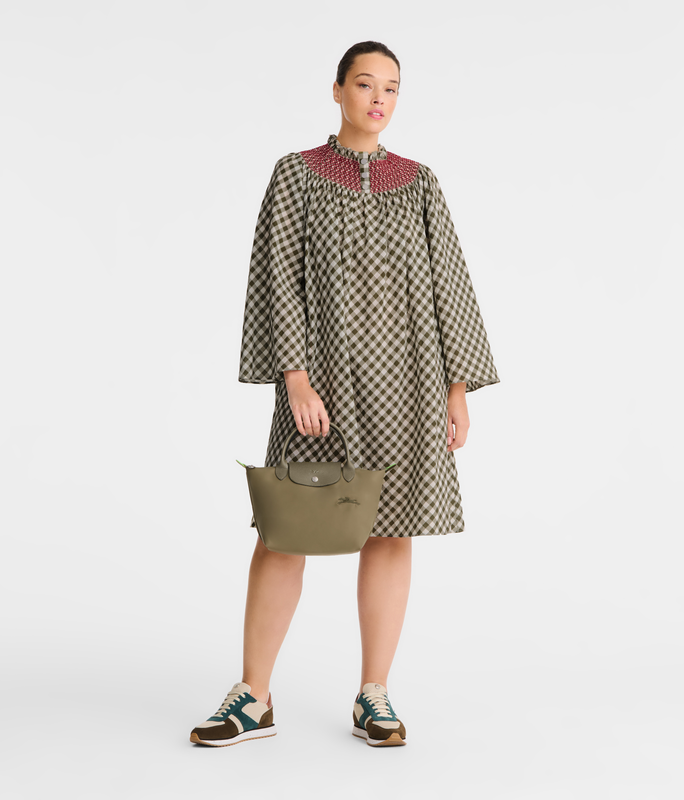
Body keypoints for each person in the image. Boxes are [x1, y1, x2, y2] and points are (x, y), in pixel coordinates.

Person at [190, 41, 499, 748]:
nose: (378, 99)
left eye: (391, 87)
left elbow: (449, 282)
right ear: (337, 91)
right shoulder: (296, 174)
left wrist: (457, 388)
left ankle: (373, 695)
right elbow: (276, 276)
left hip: (409, 383)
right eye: (364, 84)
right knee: (285, 533)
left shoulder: (419, 183)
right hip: (319, 390)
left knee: (392, 529)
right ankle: (253, 696)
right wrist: (294, 376)